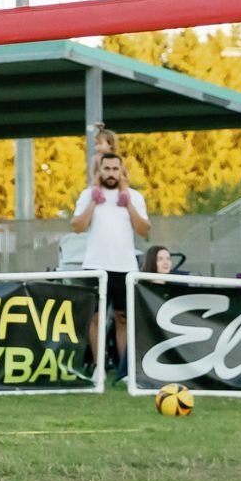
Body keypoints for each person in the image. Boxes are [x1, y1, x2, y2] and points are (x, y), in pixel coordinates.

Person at [71, 151, 150, 378]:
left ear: (122, 171)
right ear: (99, 170)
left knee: (123, 319)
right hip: (95, 265)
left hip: (125, 267)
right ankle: (98, 368)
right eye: (107, 168)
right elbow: (77, 227)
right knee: (95, 318)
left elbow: (144, 231)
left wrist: (128, 204)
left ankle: (125, 371)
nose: (111, 173)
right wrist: (93, 202)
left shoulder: (134, 196)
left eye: (116, 169)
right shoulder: (88, 195)